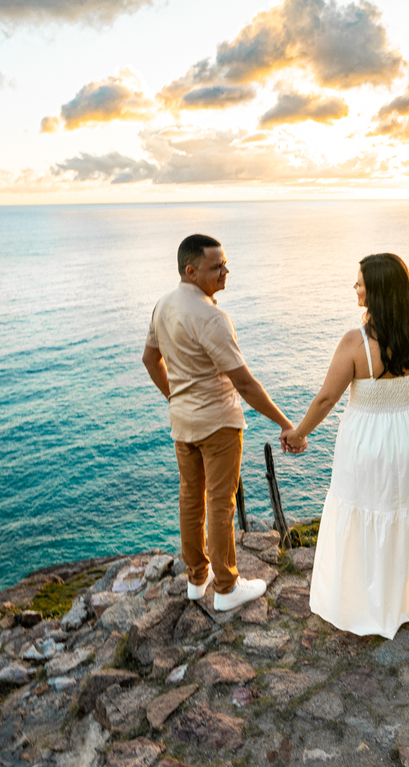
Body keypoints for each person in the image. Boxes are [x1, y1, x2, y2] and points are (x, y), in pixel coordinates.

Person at [281, 253, 409, 638]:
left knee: (360, 513)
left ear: (376, 291)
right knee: (400, 514)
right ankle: (401, 601)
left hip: (365, 439)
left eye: (359, 282)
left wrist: (299, 432)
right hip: (407, 436)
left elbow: (326, 399)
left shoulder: (356, 342)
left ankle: (361, 604)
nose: (355, 288)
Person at [142, 234, 300, 612]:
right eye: (217, 266)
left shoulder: (163, 305)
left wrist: (175, 397)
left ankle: (198, 579)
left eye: (225, 263)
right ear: (191, 270)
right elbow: (244, 383)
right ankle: (228, 587)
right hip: (218, 424)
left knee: (190, 500)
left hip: (183, 422)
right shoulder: (212, 317)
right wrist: (285, 423)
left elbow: (150, 360)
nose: (226, 271)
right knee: (220, 503)